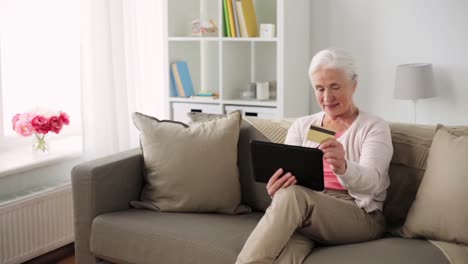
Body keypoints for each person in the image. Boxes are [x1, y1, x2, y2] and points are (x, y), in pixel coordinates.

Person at [236, 48, 393, 264]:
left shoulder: (373, 127)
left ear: (354, 84)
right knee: (284, 252)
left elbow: (373, 183)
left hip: (359, 213)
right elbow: (290, 181)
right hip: (308, 208)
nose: (327, 97)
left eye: (335, 87)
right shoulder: (302, 126)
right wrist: (277, 189)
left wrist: (344, 167)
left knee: (295, 198)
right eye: (320, 89)